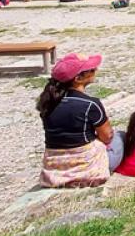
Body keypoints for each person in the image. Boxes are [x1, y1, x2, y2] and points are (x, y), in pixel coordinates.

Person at [34, 53, 113, 187]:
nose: (96, 71)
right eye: (92, 70)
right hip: (85, 168)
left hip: (55, 168)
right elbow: (107, 137)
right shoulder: (90, 104)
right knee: (120, 140)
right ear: (78, 78)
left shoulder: (47, 102)